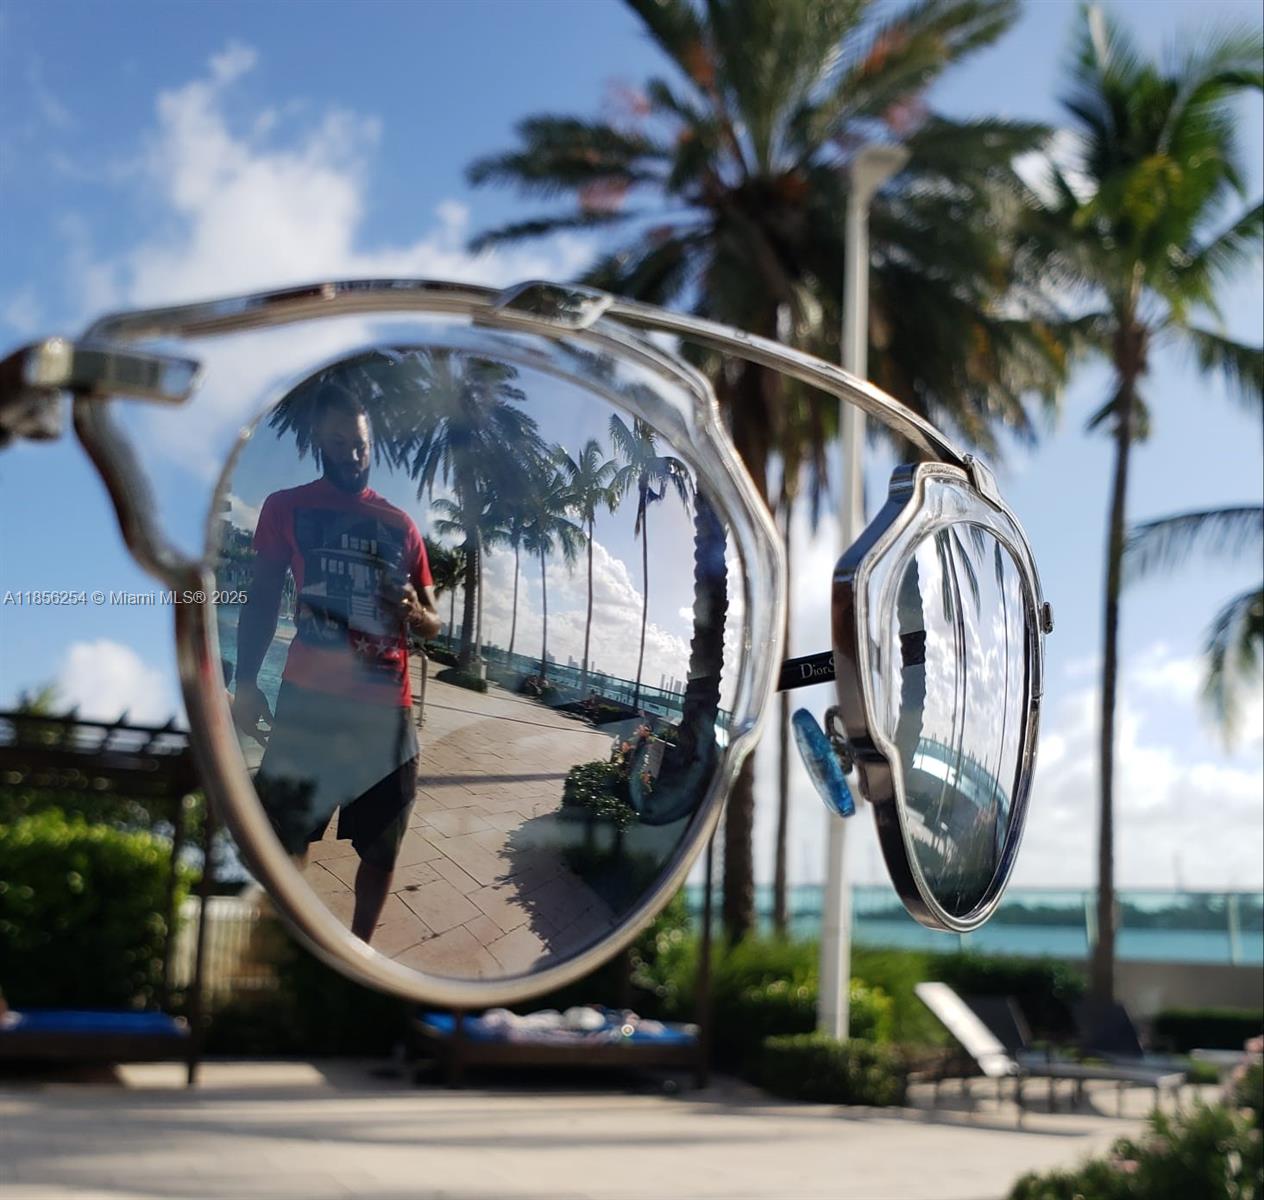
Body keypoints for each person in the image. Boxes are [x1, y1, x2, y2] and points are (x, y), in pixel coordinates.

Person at [231, 382, 441, 944]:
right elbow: (261, 598)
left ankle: (358, 951)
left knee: (382, 849)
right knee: (284, 838)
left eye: (361, 443)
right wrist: (245, 682)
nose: (353, 454)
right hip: (309, 704)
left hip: (386, 712)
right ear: (318, 444)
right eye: (339, 442)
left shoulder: (401, 525)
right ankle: (284, 943)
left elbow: (433, 620)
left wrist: (414, 611)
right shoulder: (286, 507)